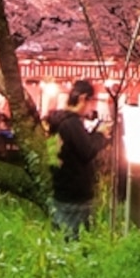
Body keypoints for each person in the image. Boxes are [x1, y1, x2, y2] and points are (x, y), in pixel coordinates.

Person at [45, 80, 106, 241]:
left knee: (63, 242)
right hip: (75, 196)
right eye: (93, 102)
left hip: (61, 192)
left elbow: (76, 147)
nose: (93, 108)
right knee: (75, 243)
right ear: (83, 99)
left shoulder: (58, 122)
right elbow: (87, 152)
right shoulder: (71, 124)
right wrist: (100, 135)